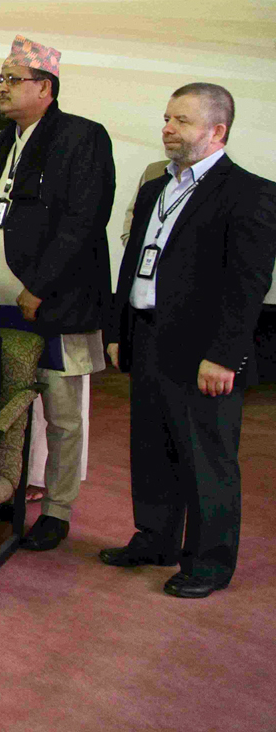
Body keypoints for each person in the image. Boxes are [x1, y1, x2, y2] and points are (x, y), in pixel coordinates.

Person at [103, 83, 276, 598]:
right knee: (151, 449)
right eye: (166, 118)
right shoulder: (157, 187)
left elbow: (247, 285)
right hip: (147, 335)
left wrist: (224, 355)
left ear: (217, 130)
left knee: (207, 460)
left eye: (181, 120)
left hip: (203, 352)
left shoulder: (250, 192)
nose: (167, 128)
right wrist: (119, 330)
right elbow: (133, 263)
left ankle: (209, 563)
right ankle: (155, 539)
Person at [0, 36, 114, 552]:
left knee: (62, 413)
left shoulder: (82, 137)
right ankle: (1, 492)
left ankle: (57, 509)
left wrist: (39, 286)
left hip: (52, 302)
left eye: (12, 79)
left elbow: (83, 222)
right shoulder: (1, 143)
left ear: (45, 88)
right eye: (1, 79)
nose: (1, 88)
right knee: (2, 402)